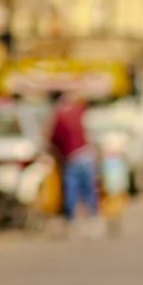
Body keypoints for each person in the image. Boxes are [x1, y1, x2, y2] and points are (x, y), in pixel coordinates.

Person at [49, 91, 98, 228]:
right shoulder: (81, 111)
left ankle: (73, 219)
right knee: (89, 188)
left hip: (72, 157)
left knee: (72, 189)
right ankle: (92, 216)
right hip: (86, 154)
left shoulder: (61, 117)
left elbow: (54, 138)